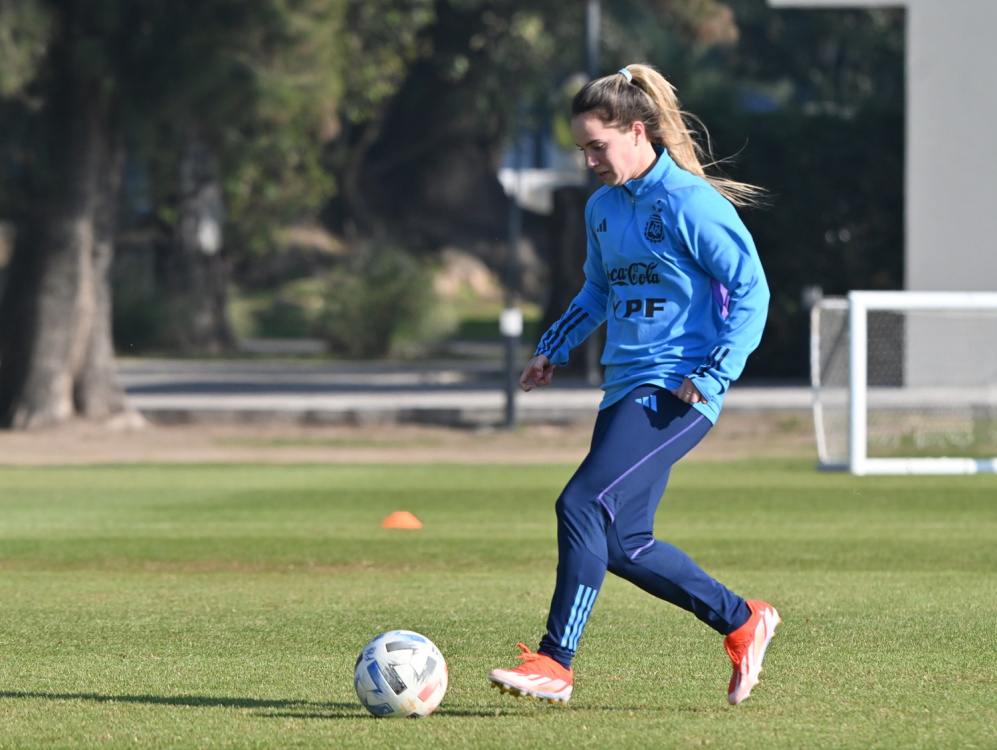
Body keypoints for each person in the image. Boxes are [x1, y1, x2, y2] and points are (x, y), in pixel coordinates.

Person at [487, 64, 779, 707]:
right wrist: (553, 348)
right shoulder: (602, 208)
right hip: (625, 388)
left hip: (679, 390)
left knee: (581, 504)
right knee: (623, 543)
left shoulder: (692, 203)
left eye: (598, 145)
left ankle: (555, 663)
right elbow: (598, 288)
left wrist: (716, 371)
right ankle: (742, 620)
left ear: (638, 132)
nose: (589, 160)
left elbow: (752, 292)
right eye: (582, 149)